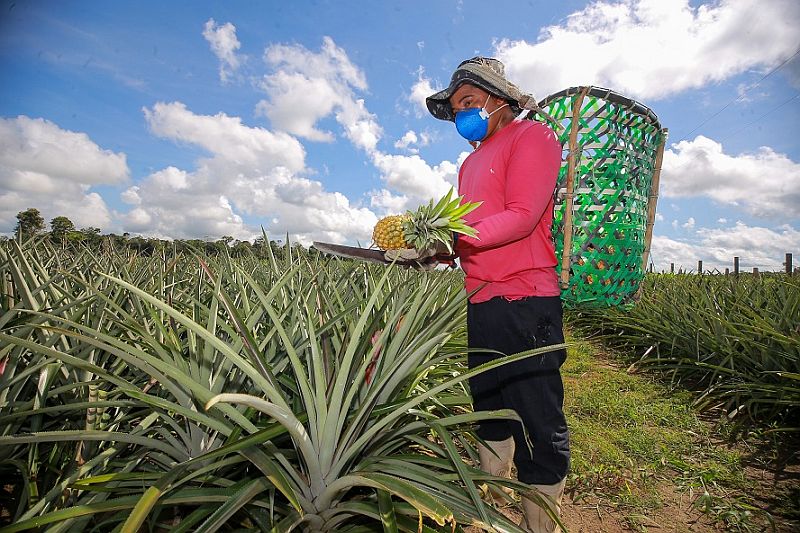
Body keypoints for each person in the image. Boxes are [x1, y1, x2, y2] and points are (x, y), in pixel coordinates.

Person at [425, 57, 569, 533]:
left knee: (535, 415)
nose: (462, 114)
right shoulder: (469, 163)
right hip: (481, 298)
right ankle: (489, 494)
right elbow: (471, 232)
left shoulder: (533, 137)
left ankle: (536, 521)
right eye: (455, 108)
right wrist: (436, 252)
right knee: (487, 402)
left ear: (499, 100)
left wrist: (453, 239)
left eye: (469, 102)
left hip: (526, 298)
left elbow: (524, 215)